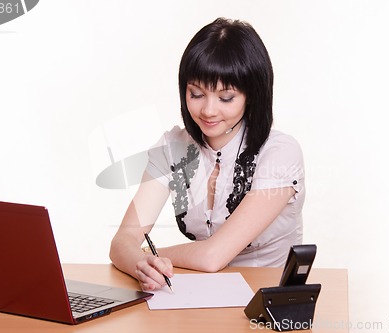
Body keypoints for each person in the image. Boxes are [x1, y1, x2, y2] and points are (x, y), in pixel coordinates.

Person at [109, 18, 305, 292]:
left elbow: (213, 257)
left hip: (266, 300)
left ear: (252, 96)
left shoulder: (279, 154)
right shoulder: (173, 147)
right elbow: (123, 240)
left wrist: (149, 254)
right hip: (196, 295)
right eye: (196, 93)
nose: (208, 110)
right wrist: (140, 265)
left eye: (226, 98)